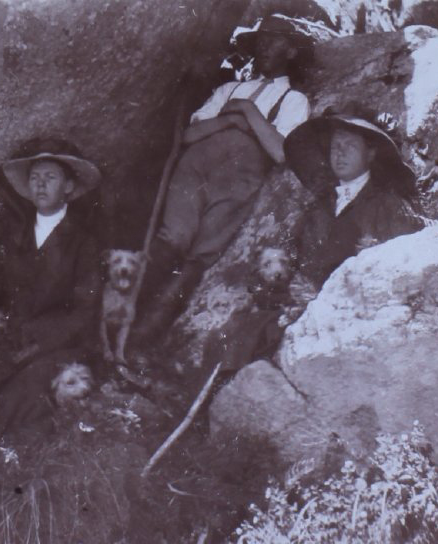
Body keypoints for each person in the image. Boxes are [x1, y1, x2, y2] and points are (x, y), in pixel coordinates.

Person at [134, 14, 313, 341]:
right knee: (172, 236)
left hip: (238, 180)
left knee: (199, 256)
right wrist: (235, 121)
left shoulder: (295, 101)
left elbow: (281, 152)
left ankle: (143, 337)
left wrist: (245, 111)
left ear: (291, 51)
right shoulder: (230, 88)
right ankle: (120, 317)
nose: (264, 47)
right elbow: (190, 135)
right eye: (261, 41)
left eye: (274, 41)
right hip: (196, 166)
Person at [0, 138, 102, 459]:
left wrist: (37, 334)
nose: (41, 184)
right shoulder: (12, 236)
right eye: (35, 177)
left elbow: (85, 310)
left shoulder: (83, 243)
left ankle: (4, 472)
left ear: (69, 187)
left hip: (58, 344)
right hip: (9, 343)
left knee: (24, 391)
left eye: (51, 177)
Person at [283, 105, 424, 287]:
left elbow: (406, 265)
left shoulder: (389, 205)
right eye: (336, 146)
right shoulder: (317, 210)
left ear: (370, 154)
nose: (340, 153)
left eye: (350, 145)